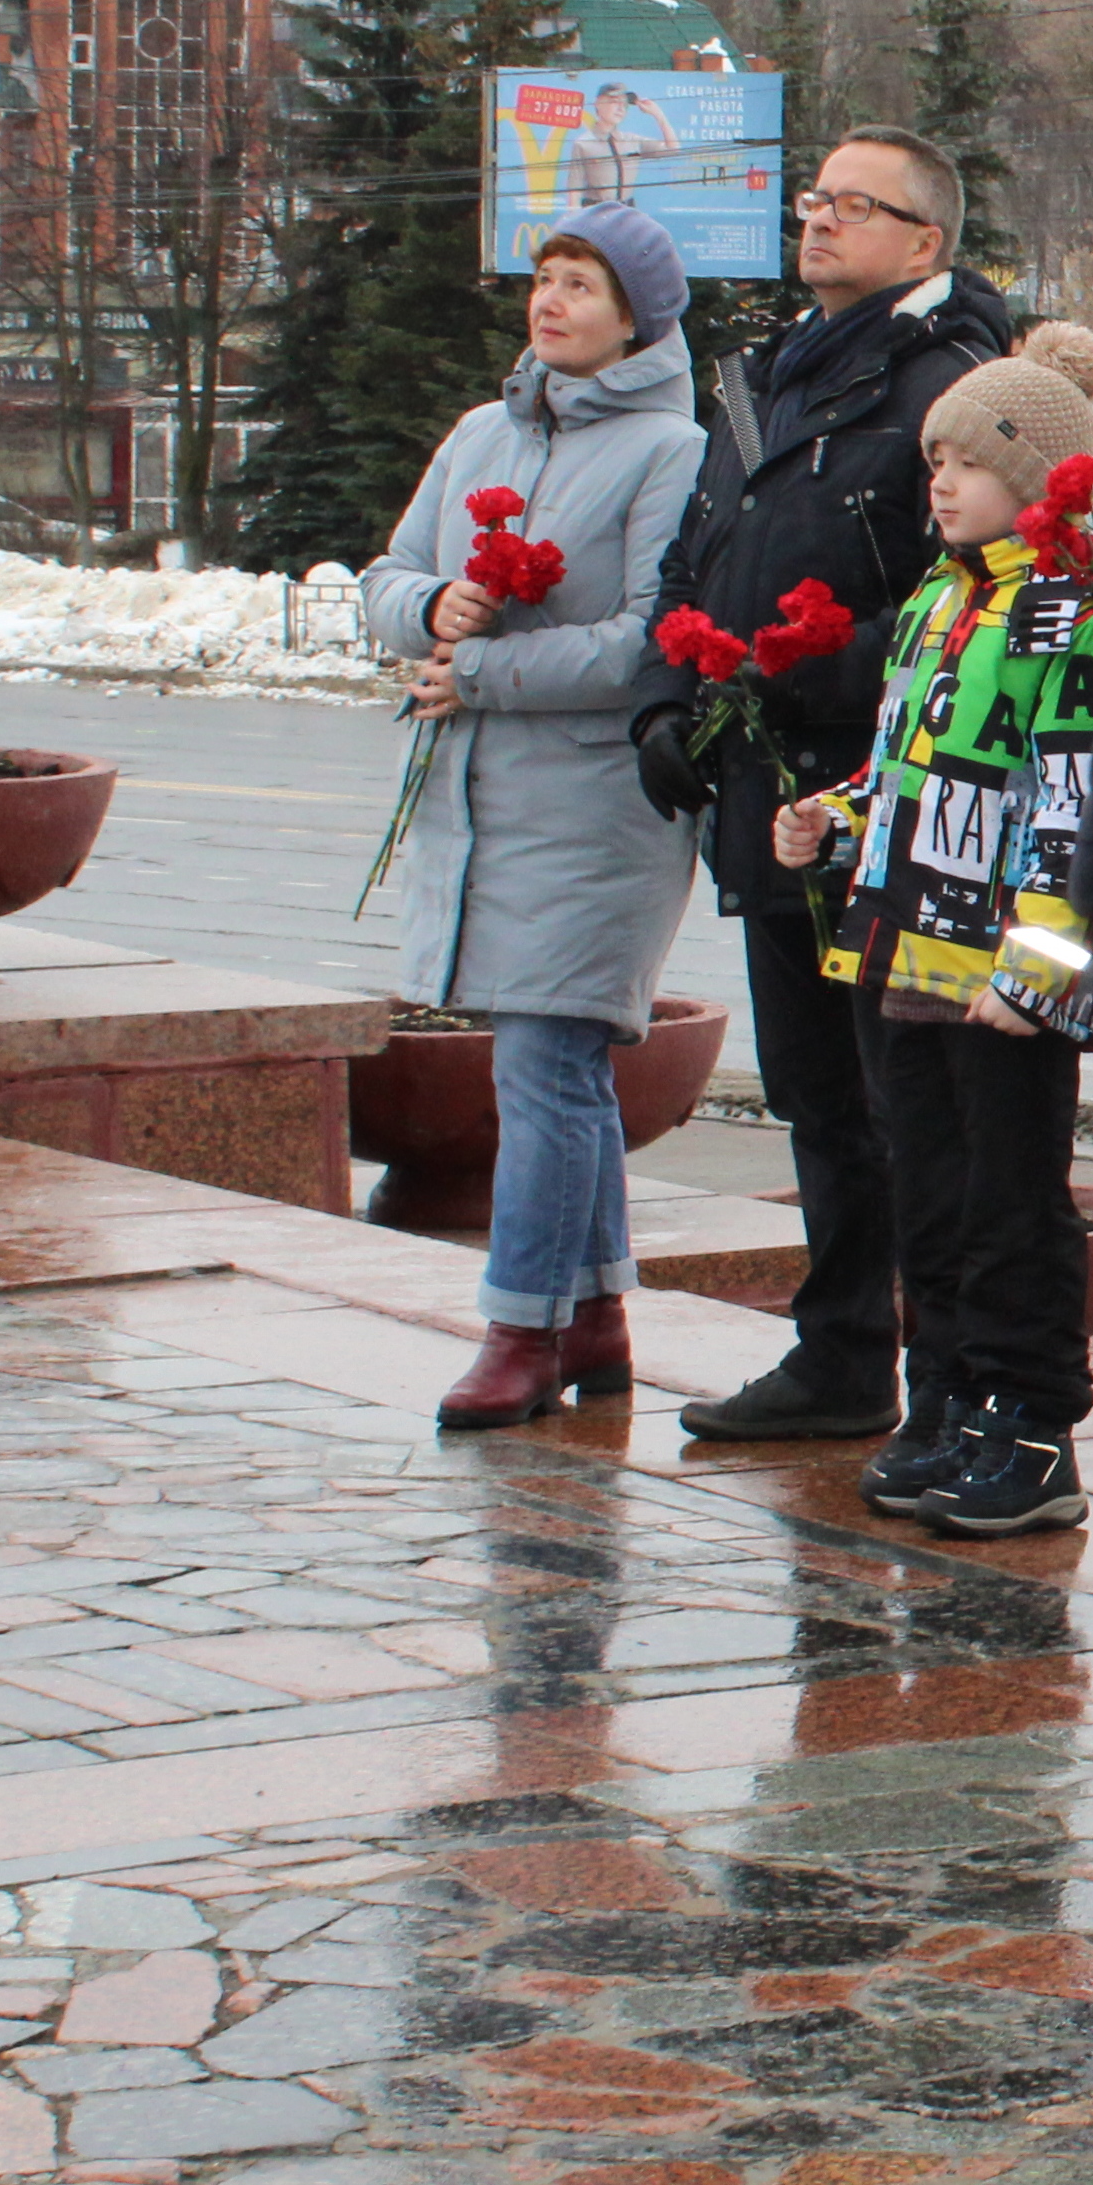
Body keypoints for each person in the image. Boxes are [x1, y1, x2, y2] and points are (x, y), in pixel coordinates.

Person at [640, 127, 1020, 1447]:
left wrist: (817, 679)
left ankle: (945, 1382)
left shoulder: (952, 384)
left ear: (924, 243)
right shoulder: (767, 380)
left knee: (899, 1104)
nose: (818, 223)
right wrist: (675, 701)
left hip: (886, 800)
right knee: (814, 1095)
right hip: (772, 798)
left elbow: (971, 587)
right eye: (811, 201)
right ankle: (840, 1348)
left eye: (854, 207)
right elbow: (701, 549)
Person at [363, 202, 710, 1431]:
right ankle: (597, 1316)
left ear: (639, 317)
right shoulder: (477, 436)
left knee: (544, 1064)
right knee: (550, 1063)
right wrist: (435, 607)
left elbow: (654, 637)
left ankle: (521, 1328)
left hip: (599, 801)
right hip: (479, 793)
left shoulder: (673, 447)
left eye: (582, 284)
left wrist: (489, 673)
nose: (551, 300)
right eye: (545, 278)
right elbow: (386, 576)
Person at [781, 324, 1093, 1535]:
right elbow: (921, 760)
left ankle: (1033, 1429)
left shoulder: (1068, 610)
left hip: (1001, 977)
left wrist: (1039, 970)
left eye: (966, 461)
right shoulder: (940, 594)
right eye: (934, 457)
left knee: (1010, 1201)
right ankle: (949, 1401)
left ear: (1033, 480)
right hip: (903, 944)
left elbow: (1070, 798)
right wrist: (840, 815)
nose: (939, 479)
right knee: (926, 1189)